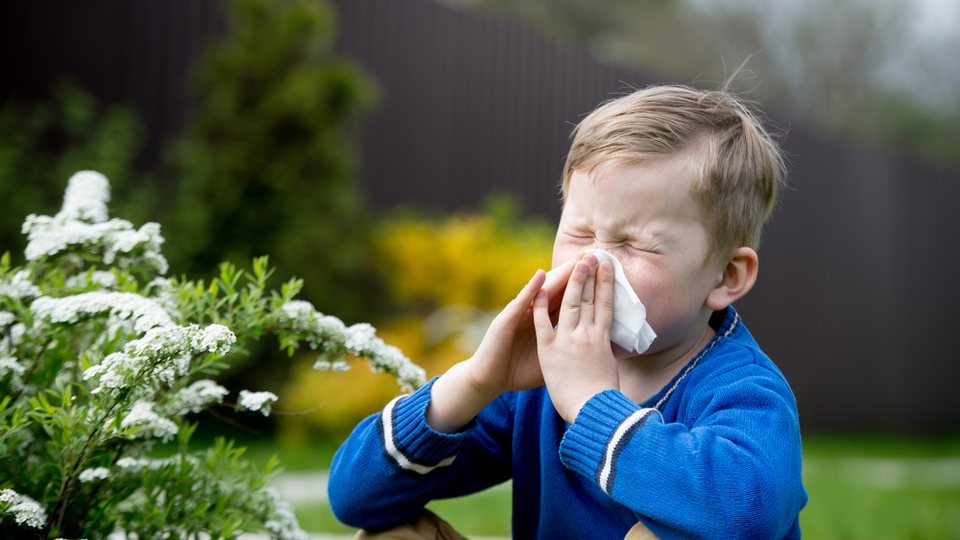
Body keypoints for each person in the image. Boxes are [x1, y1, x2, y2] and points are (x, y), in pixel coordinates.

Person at [327, 84, 808, 540]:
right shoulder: (538, 379)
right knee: (391, 531)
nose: (593, 263)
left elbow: (745, 517)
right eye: (579, 233)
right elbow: (355, 499)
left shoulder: (743, 392)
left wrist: (591, 406)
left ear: (726, 276)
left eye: (633, 244)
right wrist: (477, 381)